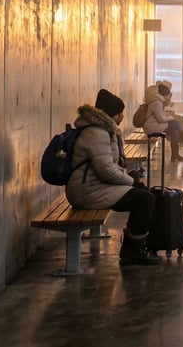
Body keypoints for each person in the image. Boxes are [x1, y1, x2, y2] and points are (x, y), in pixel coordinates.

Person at [65, 89, 161, 265]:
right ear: (111, 114)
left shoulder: (102, 131)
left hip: (94, 187)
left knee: (143, 194)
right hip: (87, 191)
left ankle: (136, 244)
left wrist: (129, 177)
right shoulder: (96, 133)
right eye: (119, 113)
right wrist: (130, 180)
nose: (122, 117)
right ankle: (133, 250)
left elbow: (109, 166)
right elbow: (106, 170)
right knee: (144, 199)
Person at [143, 83, 183, 161]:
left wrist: (167, 114)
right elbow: (160, 119)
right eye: (168, 95)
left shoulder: (158, 101)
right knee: (175, 123)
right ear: (164, 95)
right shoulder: (157, 103)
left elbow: (160, 115)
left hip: (154, 125)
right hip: (151, 127)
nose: (168, 97)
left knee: (175, 131)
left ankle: (175, 154)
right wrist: (170, 117)